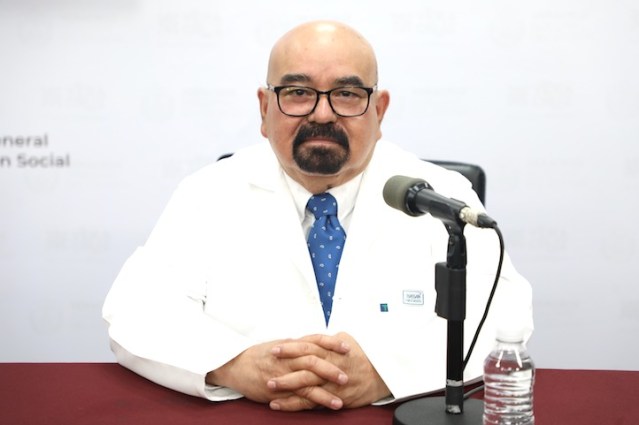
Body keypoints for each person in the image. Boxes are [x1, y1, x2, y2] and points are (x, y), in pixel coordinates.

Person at [102, 20, 533, 412]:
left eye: (346, 94)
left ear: (379, 110)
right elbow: (137, 310)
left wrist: (385, 371)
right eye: (298, 92)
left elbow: (505, 314)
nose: (322, 114)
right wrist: (233, 364)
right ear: (264, 109)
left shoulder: (442, 196)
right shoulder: (208, 192)